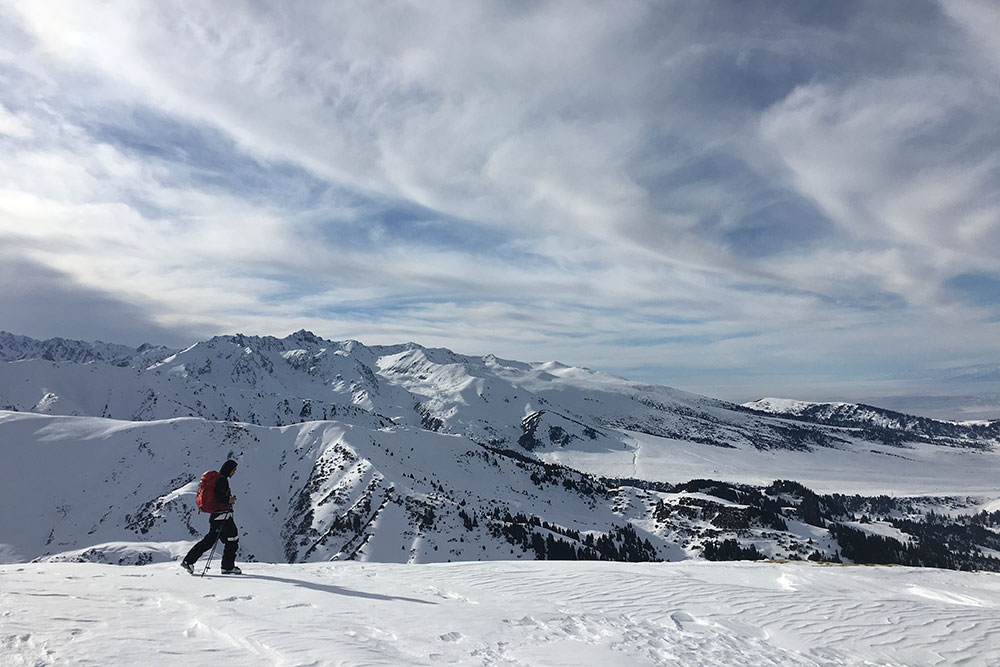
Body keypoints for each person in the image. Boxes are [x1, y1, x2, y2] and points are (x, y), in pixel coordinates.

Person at [181, 459, 242, 575]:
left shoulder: (218, 479)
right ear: (229, 470)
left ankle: (188, 561)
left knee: (210, 541)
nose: (234, 472)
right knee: (232, 539)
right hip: (222, 517)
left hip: (216, 516)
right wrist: (229, 500)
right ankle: (227, 567)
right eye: (234, 470)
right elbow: (220, 498)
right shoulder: (222, 481)